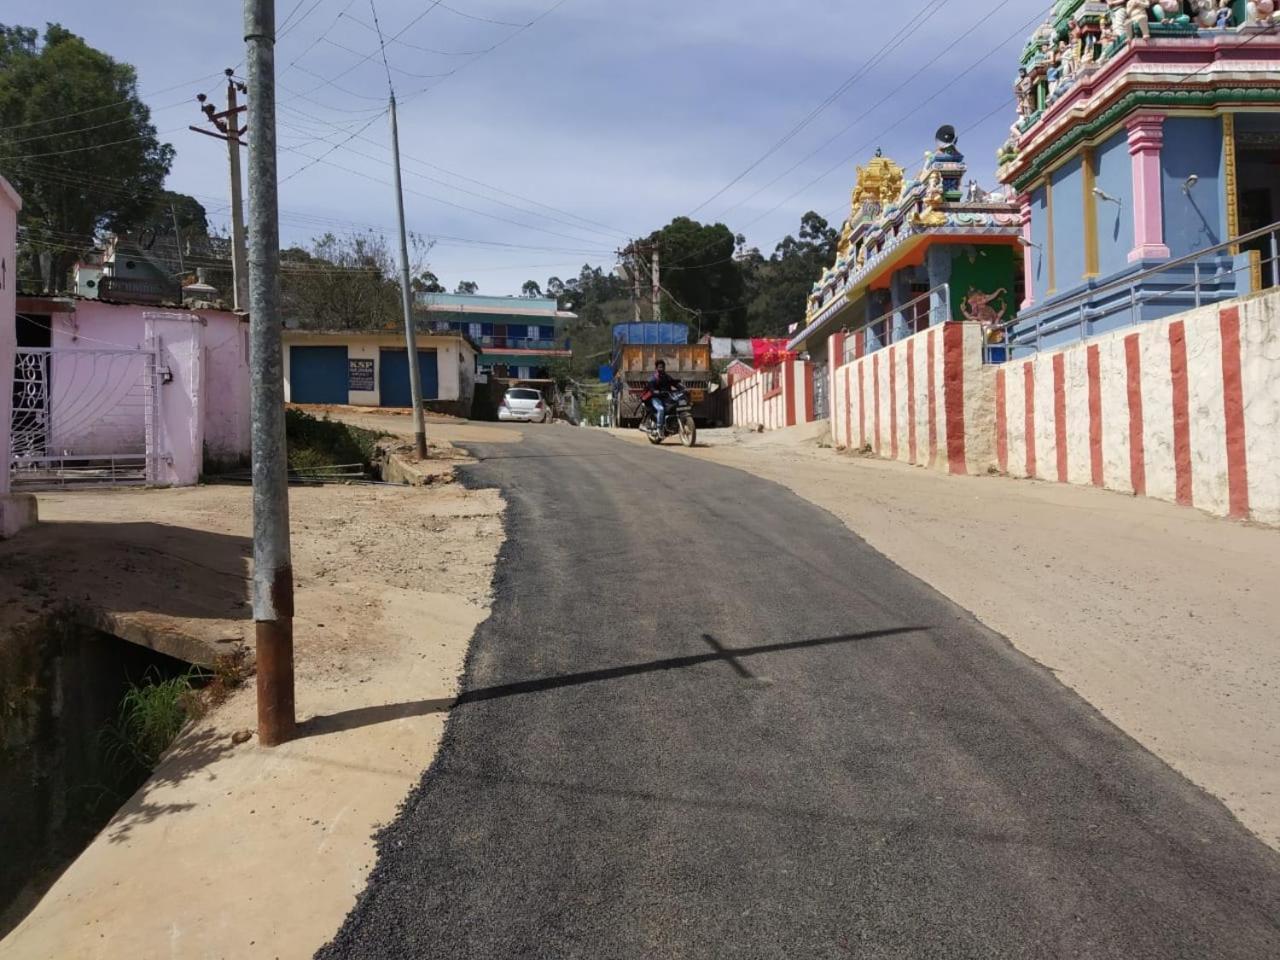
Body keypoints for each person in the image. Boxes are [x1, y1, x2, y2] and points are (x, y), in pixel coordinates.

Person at [643, 359, 682, 436]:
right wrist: (656, 391)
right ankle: (659, 428)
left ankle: (672, 425)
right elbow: (651, 389)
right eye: (660, 367)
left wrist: (682, 388)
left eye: (663, 367)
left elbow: (674, 383)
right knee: (661, 409)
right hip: (655, 398)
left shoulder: (667, 377)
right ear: (656, 368)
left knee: (675, 406)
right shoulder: (653, 378)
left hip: (666, 397)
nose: (662, 368)